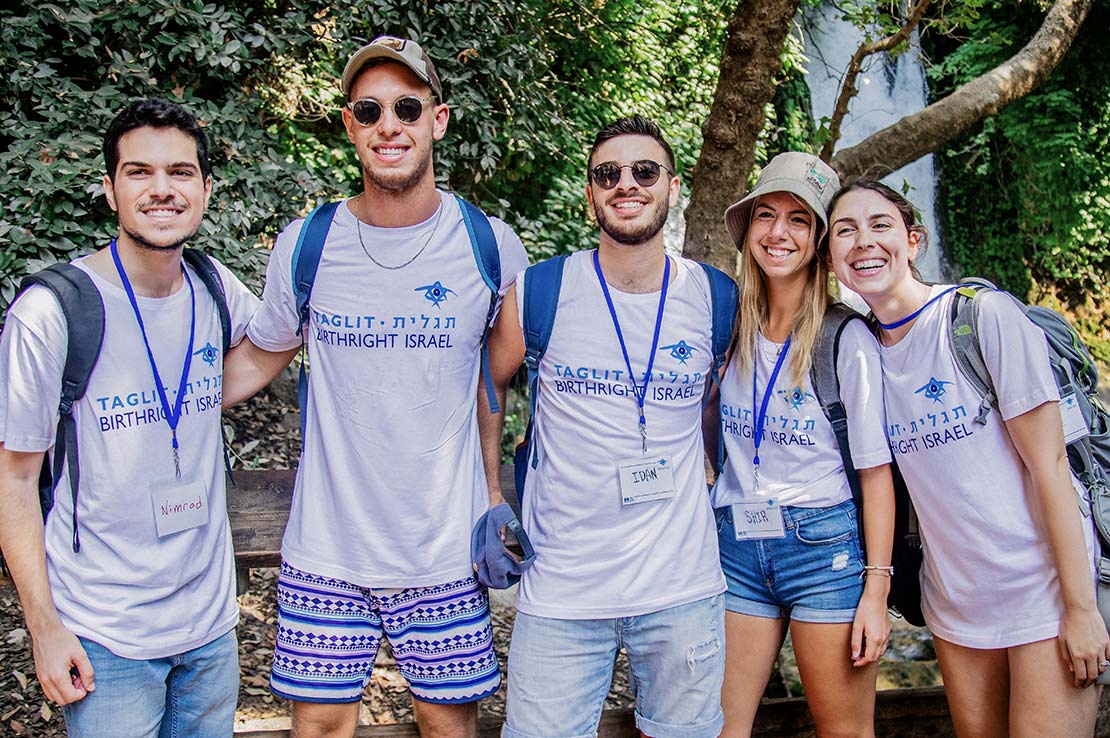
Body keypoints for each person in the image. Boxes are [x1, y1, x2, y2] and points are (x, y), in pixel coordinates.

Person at [220, 36, 528, 738]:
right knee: (320, 727)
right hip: (328, 546)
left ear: (438, 120)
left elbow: (494, 377)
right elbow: (261, 355)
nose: (389, 124)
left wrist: (490, 491)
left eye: (407, 106)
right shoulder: (308, 243)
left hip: (443, 548)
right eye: (370, 109)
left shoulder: (490, 244)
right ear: (350, 125)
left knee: (446, 725)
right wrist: (158, 405)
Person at [0, 98, 258, 737]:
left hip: (209, 628)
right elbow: (13, 481)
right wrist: (45, 628)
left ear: (204, 188)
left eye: (181, 172)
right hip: (104, 632)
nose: (162, 190)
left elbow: (273, 347)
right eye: (139, 172)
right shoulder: (51, 313)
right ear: (110, 188)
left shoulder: (213, 284)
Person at [826, 179, 1108, 737]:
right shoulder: (860, 351)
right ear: (830, 258)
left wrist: (1082, 610)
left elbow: (1050, 468)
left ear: (913, 240)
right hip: (954, 607)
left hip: (1043, 595)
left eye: (879, 225)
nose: (864, 241)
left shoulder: (982, 317)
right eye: (845, 231)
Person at [482, 115, 728, 738]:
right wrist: (489, 497)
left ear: (673, 188)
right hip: (563, 590)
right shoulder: (541, 289)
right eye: (607, 174)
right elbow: (488, 384)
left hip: (682, 589)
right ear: (589, 193)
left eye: (644, 171)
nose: (627, 184)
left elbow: (726, 399)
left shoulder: (714, 298)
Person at [711, 153, 894, 738]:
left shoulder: (848, 340)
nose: (779, 233)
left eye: (799, 219)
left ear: (818, 239)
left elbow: (875, 476)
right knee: (719, 726)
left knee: (843, 730)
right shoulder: (725, 323)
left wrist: (876, 590)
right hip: (736, 544)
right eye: (766, 215)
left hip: (825, 549)